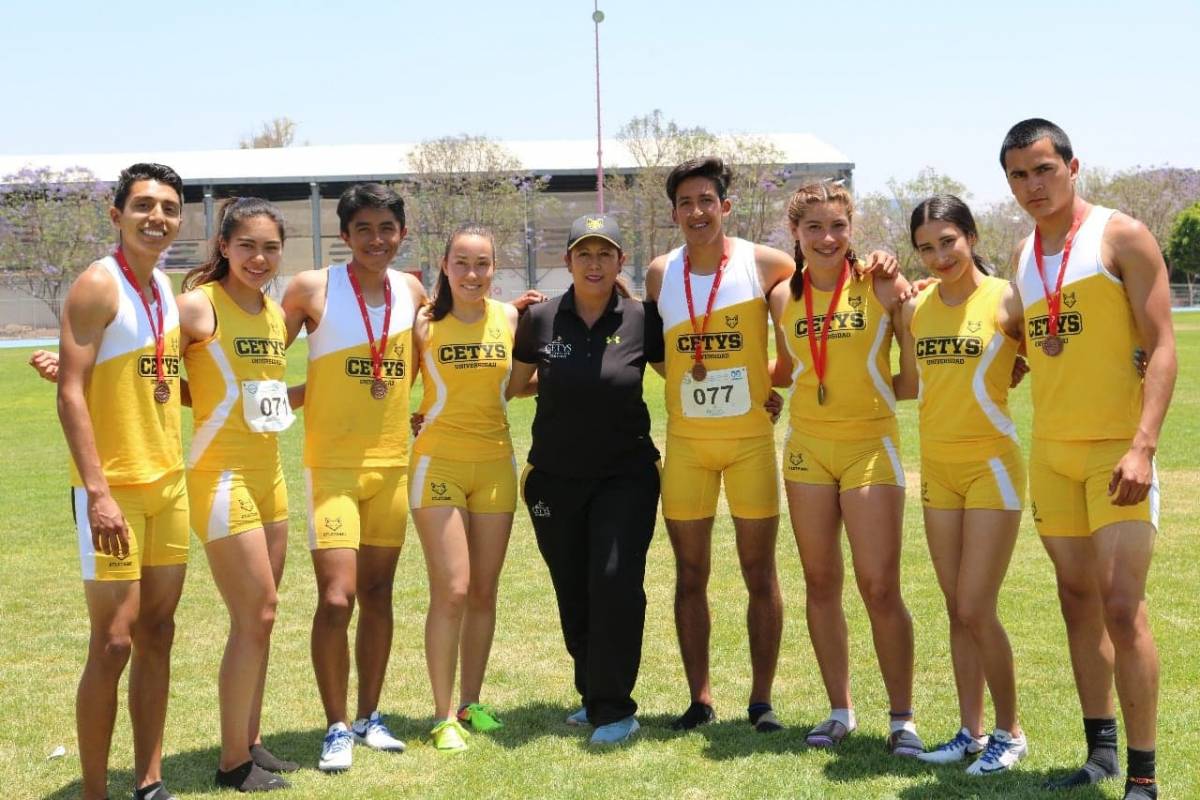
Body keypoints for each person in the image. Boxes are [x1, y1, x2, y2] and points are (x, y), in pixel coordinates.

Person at [645, 158, 897, 733]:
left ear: (725, 206)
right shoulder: (661, 273)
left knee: (760, 572)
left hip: (751, 444)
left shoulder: (766, 263)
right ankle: (700, 698)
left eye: (707, 200)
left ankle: (762, 702)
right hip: (687, 444)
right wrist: (704, 381)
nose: (696, 212)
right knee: (690, 573)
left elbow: (821, 292)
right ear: (674, 213)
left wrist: (879, 262)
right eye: (685, 203)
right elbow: (658, 354)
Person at [1001, 119, 1176, 800]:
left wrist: (1142, 446)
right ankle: (1099, 751)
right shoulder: (1021, 253)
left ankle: (1142, 772)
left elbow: (1162, 344)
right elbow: (1024, 329)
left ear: (1074, 166)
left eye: (1043, 169)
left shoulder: (1120, 235)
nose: (1032, 185)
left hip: (1116, 451)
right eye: (1018, 175)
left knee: (1122, 606)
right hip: (1052, 455)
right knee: (1077, 600)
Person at [769, 180, 923, 756]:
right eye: (814, 228)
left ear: (851, 228)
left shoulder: (881, 283)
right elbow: (786, 369)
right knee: (820, 582)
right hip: (807, 448)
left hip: (870, 446)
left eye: (837, 226)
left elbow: (910, 374)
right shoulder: (783, 297)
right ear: (796, 234)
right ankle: (840, 711)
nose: (827, 238)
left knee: (879, 586)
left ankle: (902, 718)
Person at [280, 183, 426, 773]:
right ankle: (336, 724)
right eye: (363, 229)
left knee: (379, 595)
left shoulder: (413, 289)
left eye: (386, 228)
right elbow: (261, 355)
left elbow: (444, 349)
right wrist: (292, 396)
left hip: (391, 466)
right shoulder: (311, 288)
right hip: (333, 470)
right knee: (337, 598)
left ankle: (370, 716)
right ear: (344, 236)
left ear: (401, 234)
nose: (376, 239)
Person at [56, 163, 188, 800]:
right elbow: (73, 395)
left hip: (170, 486)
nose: (156, 217)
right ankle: (93, 792)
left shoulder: (163, 284)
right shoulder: (97, 285)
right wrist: (98, 493)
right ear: (117, 215)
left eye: (168, 207)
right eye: (143, 206)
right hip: (113, 492)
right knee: (112, 644)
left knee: (157, 633)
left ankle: (150, 780)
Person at [510, 214, 663, 745]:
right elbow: (516, 383)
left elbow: (691, 374)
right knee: (573, 588)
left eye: (605, 254)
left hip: (626, 476)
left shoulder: (645, 318)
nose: (594, 264)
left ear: (621, 261)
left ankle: (616, 708)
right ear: (569, 261)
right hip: (554, 478)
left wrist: (755, 391)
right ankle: (592, 690)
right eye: (583, 253)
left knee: (616, 582)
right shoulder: (541, 318)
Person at [896, 195, 1028, 774]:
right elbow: (906, 380)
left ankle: (1011, 733)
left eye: (947, 241)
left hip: (992, 467)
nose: (938, 255)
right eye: (925, 247)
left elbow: (1051, 351)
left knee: (977, 605)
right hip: (938, 470)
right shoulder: (917, 305)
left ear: (971, 236)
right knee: (955, 607)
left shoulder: (1006, 298)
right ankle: (970, 732)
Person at [178, 198, 298, 791]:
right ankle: (231, 766)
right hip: (219, 476)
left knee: (263, 618)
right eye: (247, 245)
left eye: (270, 247)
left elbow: (263, 398)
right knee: (257, 611)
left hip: (268, 475)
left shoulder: (275, 314)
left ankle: (250, 741)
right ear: (223, 246)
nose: (259, 257)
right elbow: (145, 366)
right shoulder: (199, 307)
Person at [408, 224, 520, 751]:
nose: (472, 274)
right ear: (445, 265)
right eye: (462, 263)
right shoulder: (423, 324)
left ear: (494, 269)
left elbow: (521, 384)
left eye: (482, 264)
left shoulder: (511, 318)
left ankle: (472, 703)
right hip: (438, 465)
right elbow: (391, 384)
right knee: (451, 589)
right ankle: (441, 714)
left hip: (496, 465)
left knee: (483, 591)